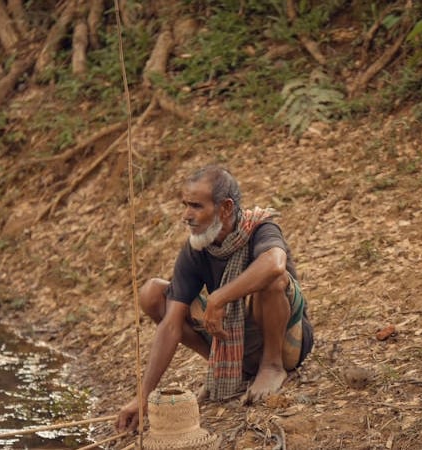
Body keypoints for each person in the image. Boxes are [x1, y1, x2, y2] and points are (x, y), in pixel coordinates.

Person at [115, 165, 314, 432]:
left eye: (196, 206)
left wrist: (219, 298)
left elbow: (276, 264)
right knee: (153, 293)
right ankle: (222, 366)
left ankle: (271, 366)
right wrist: (142, 397)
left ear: (226, 208)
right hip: (235, 342)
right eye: (185, 205)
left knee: (271, 279)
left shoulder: (260, 228)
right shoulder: (197, 247)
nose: (187, 215)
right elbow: (171, 324)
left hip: (286, 342)